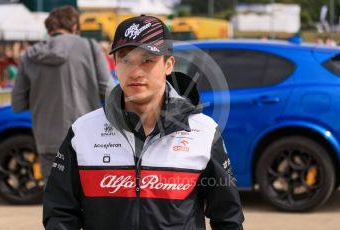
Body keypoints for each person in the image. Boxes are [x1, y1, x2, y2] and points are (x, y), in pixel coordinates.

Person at [43, 15, 244, 229]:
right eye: (125, 59)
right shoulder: (83, 132)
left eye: (147, 60)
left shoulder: (203, 131)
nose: (135, 72)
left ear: (168, 65)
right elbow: (59, 211)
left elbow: (227, 216)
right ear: (115, 65)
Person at [12, 6, 113, 182]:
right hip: (87, 138)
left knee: (54, 201)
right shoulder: (89, 47)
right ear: (75, 27)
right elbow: (109, 92)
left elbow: (17, 104)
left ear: (49, 29)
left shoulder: (29, 56)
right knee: (89, 200)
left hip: (47, 141)